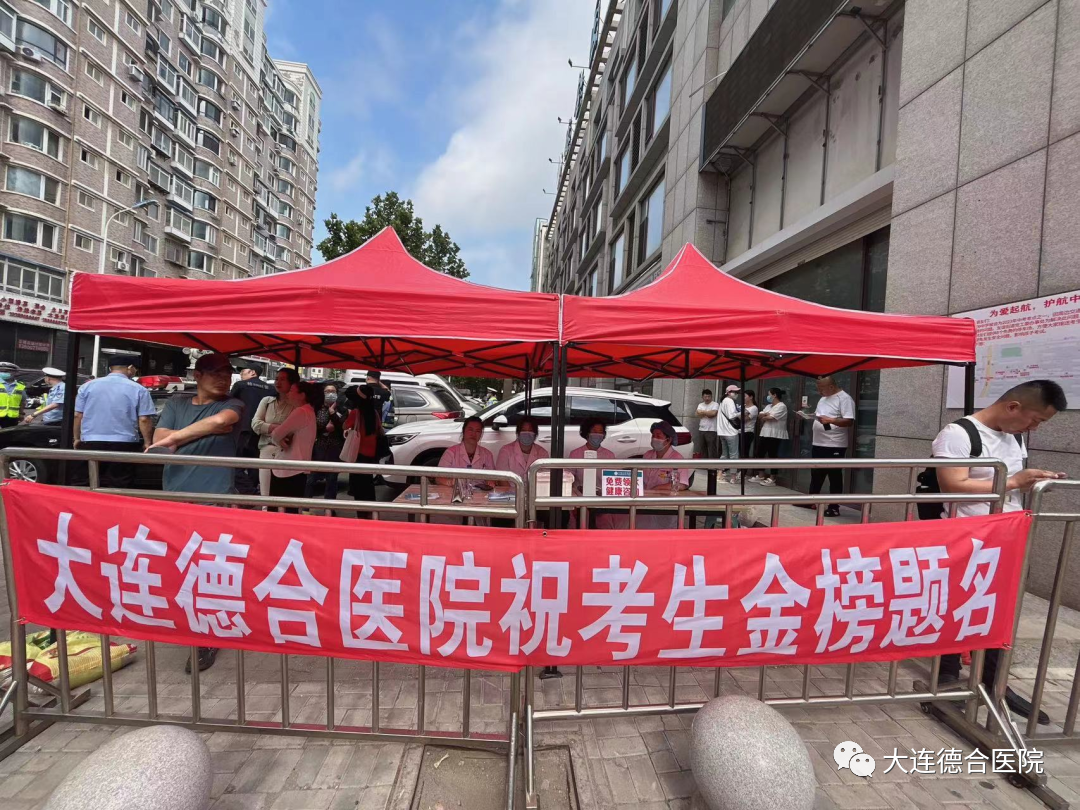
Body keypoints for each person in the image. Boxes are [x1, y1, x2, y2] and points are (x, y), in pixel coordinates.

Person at [934, 379, 1067, 723]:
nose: (1034, 427)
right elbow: (952, 484)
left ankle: (994, 683)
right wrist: (1014, 482)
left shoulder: (1014, 436)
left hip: (1007, 537)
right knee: (959, 606)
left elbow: (1011, 486)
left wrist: (1035, 483)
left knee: (1001, 610)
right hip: (967, 539)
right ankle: (947, 678)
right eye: (1035, 419)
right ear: (1013, 407)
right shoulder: (959, 434)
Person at [148, 352, 244, 674]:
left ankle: (207, 637)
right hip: (176, 498)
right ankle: (187, 623)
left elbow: (219, 422)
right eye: (216, 372)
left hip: (214, 499)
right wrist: (198, 432)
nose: (224, 378)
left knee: (209, 570)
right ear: (198, 375)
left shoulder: (234, 404)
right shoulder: (177, 403)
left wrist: (178, 437)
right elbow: (158, 440)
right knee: (180, 567)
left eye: (227, 373)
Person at [74, 355, 155, 488]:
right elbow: (144, 419)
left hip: (91, 441)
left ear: (110, 368)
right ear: (130, 368)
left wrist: (77, 438)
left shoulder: (87, 387)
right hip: (124, 443)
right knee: (119, 484)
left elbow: (78, 415)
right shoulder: (139, 389)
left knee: (86, 482)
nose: (135, 371)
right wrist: (147, 442)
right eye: (135, 369)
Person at [798, 375, 855, 517]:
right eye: (818, 388)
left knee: (834, 475)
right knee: (816, 473)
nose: (819, 391)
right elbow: (820, 415)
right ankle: (811, 501)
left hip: (834, 443)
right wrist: (810, 416)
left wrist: (830, 420)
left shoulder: (844, 399)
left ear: (831, 386)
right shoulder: (823, 398)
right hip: (818, 442)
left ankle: (834, 507)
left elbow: (849, 421)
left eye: (821, 388)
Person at [269, 380, 321, 514]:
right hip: (299, 466)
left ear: (302, 395)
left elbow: (276, 434)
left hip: (287, 468)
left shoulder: (301, 411)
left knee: (279, 509)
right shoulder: (309, 411)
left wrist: (279, 440)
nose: (288, 394)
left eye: (292, 390)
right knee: (292, 509)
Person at [251, 368, 298, 498]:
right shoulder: (266, 401)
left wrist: (267, 428)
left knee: (282, 494)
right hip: (266, 450)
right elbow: (255, 424)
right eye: (277, 379)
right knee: (265, 493)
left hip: (286, 453)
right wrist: (277, 429)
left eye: (283, 379)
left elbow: (294, 431)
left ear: (292, 382)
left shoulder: (297, 405)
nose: (278, 382)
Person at [230, 364, 274, 495]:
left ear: (253, 372)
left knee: (234, 463)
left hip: (241, 430)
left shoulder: (240, 385)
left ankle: (248, 491)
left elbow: (229, 402)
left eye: (243, 371)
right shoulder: (271, 389)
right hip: (261, 431)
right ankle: (252, 490)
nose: (241, 374)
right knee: (255, 464)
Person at [637, 421, 691, 530]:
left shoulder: (677, 458)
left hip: (665, 505)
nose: (654, 439)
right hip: (645, 502)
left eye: (658, 436)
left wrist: (657, 488)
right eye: (653, 435)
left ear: (668, 439)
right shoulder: (647, 455)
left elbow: (682, 484)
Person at [305, 382, 345, 513]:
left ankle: (329, 509)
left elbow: (342, 427)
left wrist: (332, 412)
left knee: (332, 480)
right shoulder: (316, 409)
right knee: (311, 479)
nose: (330, 394)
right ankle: (305, 508)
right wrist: (324, 430)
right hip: (318, 447)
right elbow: (311, 427)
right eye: (327, 391)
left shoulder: (341, 409)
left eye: (333, 391)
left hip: (335, 448)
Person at [342, 384, 383, 510]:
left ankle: (362, 512)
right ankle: (371, 509)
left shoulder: (356, 413)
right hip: (372, 453)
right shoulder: (374, 413)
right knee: (368, 483)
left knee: (358, 485)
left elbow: (345, 426)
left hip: (358, 453)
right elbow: (379, 429)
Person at [438, 415, 496, 487]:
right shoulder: (451, 453)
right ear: (463, 431)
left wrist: (490, 482)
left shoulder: (487, 454)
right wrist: (449, 482)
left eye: (478, 431)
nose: (473, 434)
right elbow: (439, 478)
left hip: (480, 492)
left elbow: (494, 477)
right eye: (470, 430)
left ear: (481, 434)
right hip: (456, 491)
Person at [751, 387, 788, 487]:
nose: (768, 396)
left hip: (775, 434)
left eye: (769, 394)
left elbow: (770, 417)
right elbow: (760, 415)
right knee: (760, 453)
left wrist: (766, 415)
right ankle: (761, 475)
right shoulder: (769, 406)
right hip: (765, 432)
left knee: (773, 455)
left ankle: (772, 478)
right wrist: (765, 415)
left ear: (774, 395)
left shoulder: (782, 406)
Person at [716, 385, 741, 484]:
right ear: (729, 392)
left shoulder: (723, 401)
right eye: (735, 392)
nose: (737, 394)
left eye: (737, 392)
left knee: (724, 454)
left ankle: (719, 474)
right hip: (730, 432)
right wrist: (742, 412)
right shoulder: (729, 401)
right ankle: (733, 477)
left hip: (722, 432)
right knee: (734, 455)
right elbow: (731, 416)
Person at [0, 361, 27, 427]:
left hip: (12, 417)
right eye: (1, 371)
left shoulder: (20, 387)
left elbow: (23, 402)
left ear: (14, 372)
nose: (3, 373)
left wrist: (21, 414)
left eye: (6, 371)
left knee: (9, 433)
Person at [694, 389, 719, 460]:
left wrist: (703, 412)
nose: (707, 398)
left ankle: (713, 464)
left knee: (712, 449)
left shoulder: (715, 404)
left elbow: (712, 414)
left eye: (709, 396)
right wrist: (707, 413)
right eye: (705, 397)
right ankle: (704, 464)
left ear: (711, 397)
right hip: (702, 429)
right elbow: (697, 414)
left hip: (712, 430)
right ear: (702, 397)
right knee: (703, 449)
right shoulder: (700, 404)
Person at [741, 390, 759, 475]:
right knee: (739, 452)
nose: (743, 398)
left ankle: (743, 471)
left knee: (745, 452)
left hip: (748, 432)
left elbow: (744, 419)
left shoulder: (754, 408)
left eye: (745, 396)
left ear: (751, 397)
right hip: (739, 431)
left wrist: (739, 415)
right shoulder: (743, 406)